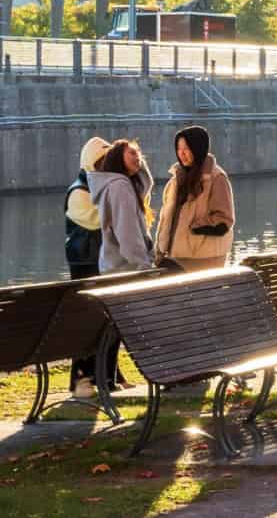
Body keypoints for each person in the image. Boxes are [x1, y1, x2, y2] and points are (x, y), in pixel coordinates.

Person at [63, 136, 115, 392]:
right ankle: (81, 378)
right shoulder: (79, 192)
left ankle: (106, 374)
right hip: (86, 265)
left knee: (106, 321)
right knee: (88, 322)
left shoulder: (101, 187)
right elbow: (98, 221)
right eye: (102, 161)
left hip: (101, 264)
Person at [155, 126, 236, 271]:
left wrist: (193, 227)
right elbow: (167, 218)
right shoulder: (177, 179)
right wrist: (160, 248)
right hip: (177, 255)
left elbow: (224, 219)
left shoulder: (216, 178)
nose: (181, 154)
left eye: (186, 148)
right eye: (178, 149)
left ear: (198, 148)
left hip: (204, 259)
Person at [89, 139, 154, 273]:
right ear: (118, 157)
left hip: (118, 267)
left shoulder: (122, 184)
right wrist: (143, 265)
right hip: (126, 270)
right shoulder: (119, 187)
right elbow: (127, 232)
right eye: (132, 153)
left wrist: (137, 162)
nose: (138, 157)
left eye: (139, 154)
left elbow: (146, 183)